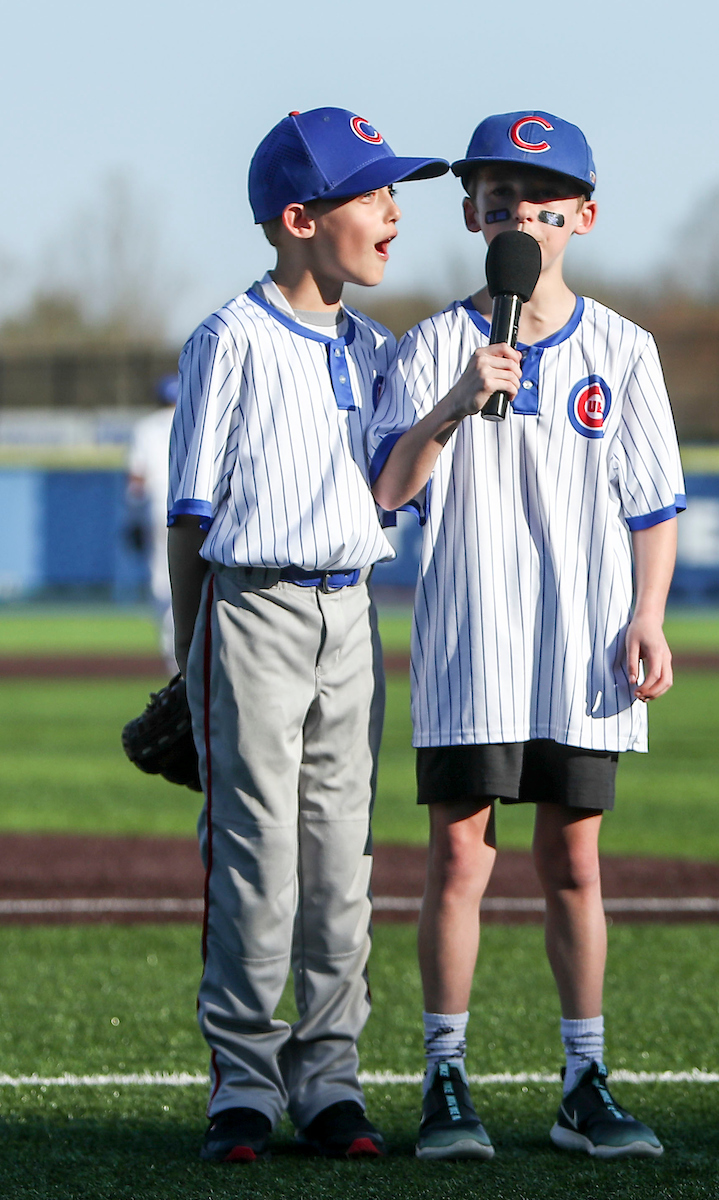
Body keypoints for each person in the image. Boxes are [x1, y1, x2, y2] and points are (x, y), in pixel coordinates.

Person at [370, 110, 685, 1161]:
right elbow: (389, 488)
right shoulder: (430, 346)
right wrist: (455, 404)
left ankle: (582, 1081)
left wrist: (647, 615)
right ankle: (443, 1080)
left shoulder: (624, 350)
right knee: (458, 858)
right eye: (498, 199)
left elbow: (651, 503)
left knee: (572, 862)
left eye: (541, 200)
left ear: (581, 216)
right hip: (469, 641)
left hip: (578, 648)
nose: (518, 215)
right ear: (470, 215)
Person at [167, 107, 447, 1164]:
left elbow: (388, 486)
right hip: (252, 608)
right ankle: (242, 1084)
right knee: (254, 860)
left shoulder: (374, 346)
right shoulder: (226, 340)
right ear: (297, 218)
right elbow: (189, 522)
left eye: (393, 191)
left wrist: (450, 408)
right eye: (371, 193)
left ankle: (329, 1081)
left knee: (340, 862)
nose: (392, 209)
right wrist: (187, 660)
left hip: (350, 613)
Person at [127, 373, 180, 675]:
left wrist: (133, 520)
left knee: (164, 590)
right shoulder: (196, 418)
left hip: (156, 509)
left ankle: (174, 665)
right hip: (196, 510)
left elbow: (136, 482)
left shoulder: (145, 427)